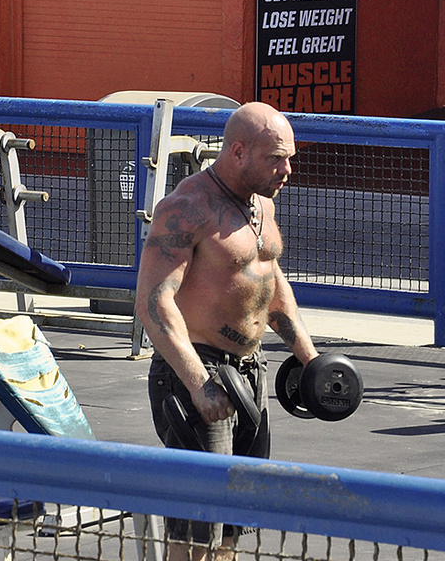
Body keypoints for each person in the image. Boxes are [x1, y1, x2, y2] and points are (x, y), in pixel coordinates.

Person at [134, 101, 319, 560]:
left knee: (234, 522)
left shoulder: (263, 206)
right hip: (197, 373)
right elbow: (153, 302)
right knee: (198, 532)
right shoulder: (186, 208)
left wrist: (312, 362)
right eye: (276, 158)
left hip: (250, 375)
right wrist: (198, 384)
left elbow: (272, 288)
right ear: (238, 152)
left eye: (290, 157)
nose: (287, 169)